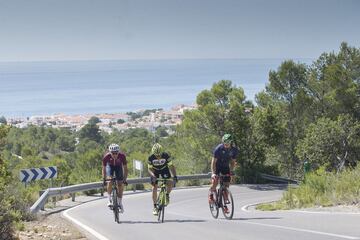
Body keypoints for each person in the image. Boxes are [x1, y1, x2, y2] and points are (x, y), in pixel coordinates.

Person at [208, 134, 237, 213]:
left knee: (226, 185)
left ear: (231, 142)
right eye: (224, 142)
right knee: (215, 181)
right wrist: (213, 173)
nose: (226, 144)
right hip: (217, 166)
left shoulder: (234, 150)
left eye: (227, 142)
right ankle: (211, 194)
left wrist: (231, 171)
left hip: (225, 167)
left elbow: (233, 162)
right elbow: (213, 162)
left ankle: (224, 205)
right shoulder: (218, 149)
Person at [148, 143, 177, 215]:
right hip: (155, 171)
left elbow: (171, 166)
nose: (158, 156)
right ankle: (155, 207)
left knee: (170, 183)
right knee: (154, 188)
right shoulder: (150, 157)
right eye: (156, 155)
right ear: (153, 153)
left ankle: (166, 195)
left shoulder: (166, 156)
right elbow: (149, 169)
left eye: (159, 155)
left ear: (162, 152)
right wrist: (153, 175)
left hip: (164, 169)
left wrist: (175, 176)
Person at [102, 143, 128, 213]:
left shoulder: (122, 156)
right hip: (109, 166)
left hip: (118, 167)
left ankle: (120, 203)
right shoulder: (106, 157)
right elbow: (104, 169)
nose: (115, 155)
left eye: (116, 153)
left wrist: (125, 179)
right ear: (110, 152)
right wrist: (104, 179)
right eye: (113, 153)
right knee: (109, 180)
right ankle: (109, 200)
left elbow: (125, 169)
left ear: (118, 152)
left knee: (120, 184)